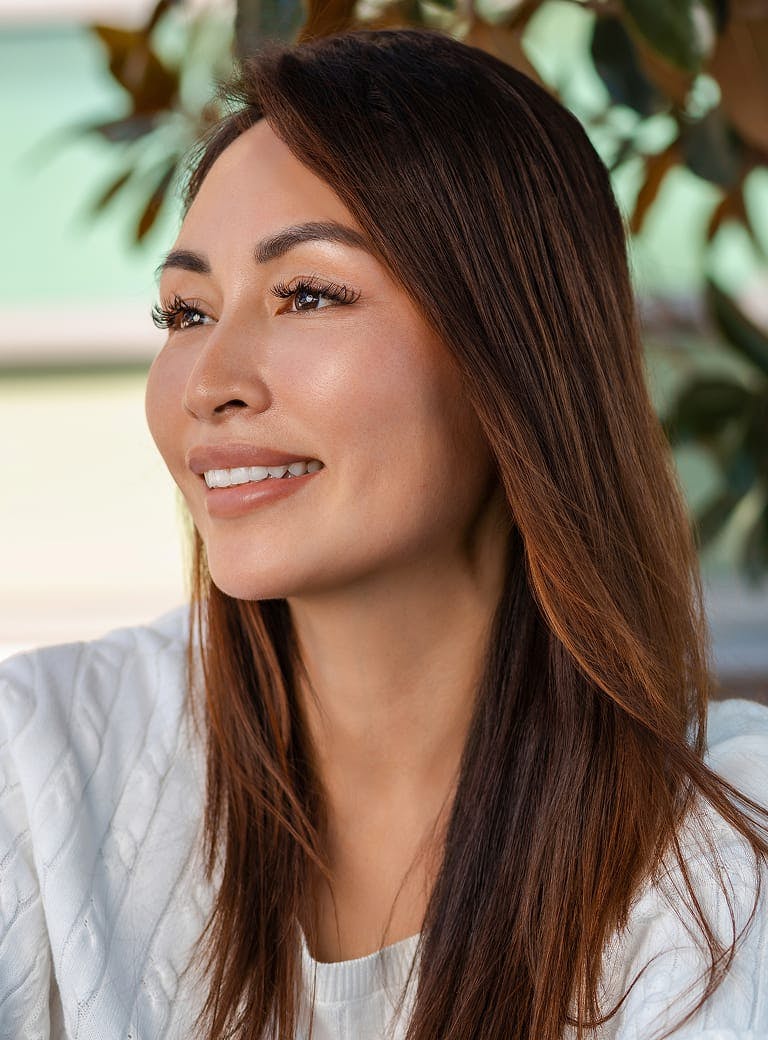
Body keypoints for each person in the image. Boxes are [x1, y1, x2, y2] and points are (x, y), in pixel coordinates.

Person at [1, 26, 767, 1040]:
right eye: (185, 312)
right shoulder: (37, 764)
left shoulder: (728, 858)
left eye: (307, 294)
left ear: (512, 354)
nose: (209, 381)